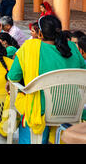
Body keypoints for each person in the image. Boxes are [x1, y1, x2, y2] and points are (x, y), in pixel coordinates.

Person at [6, 15, 86, 144]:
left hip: (42, 109)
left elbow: (13, 77)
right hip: (71, 108)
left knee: (20, 97)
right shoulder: (72, 47)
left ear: (40, 34)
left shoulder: (30, 47)